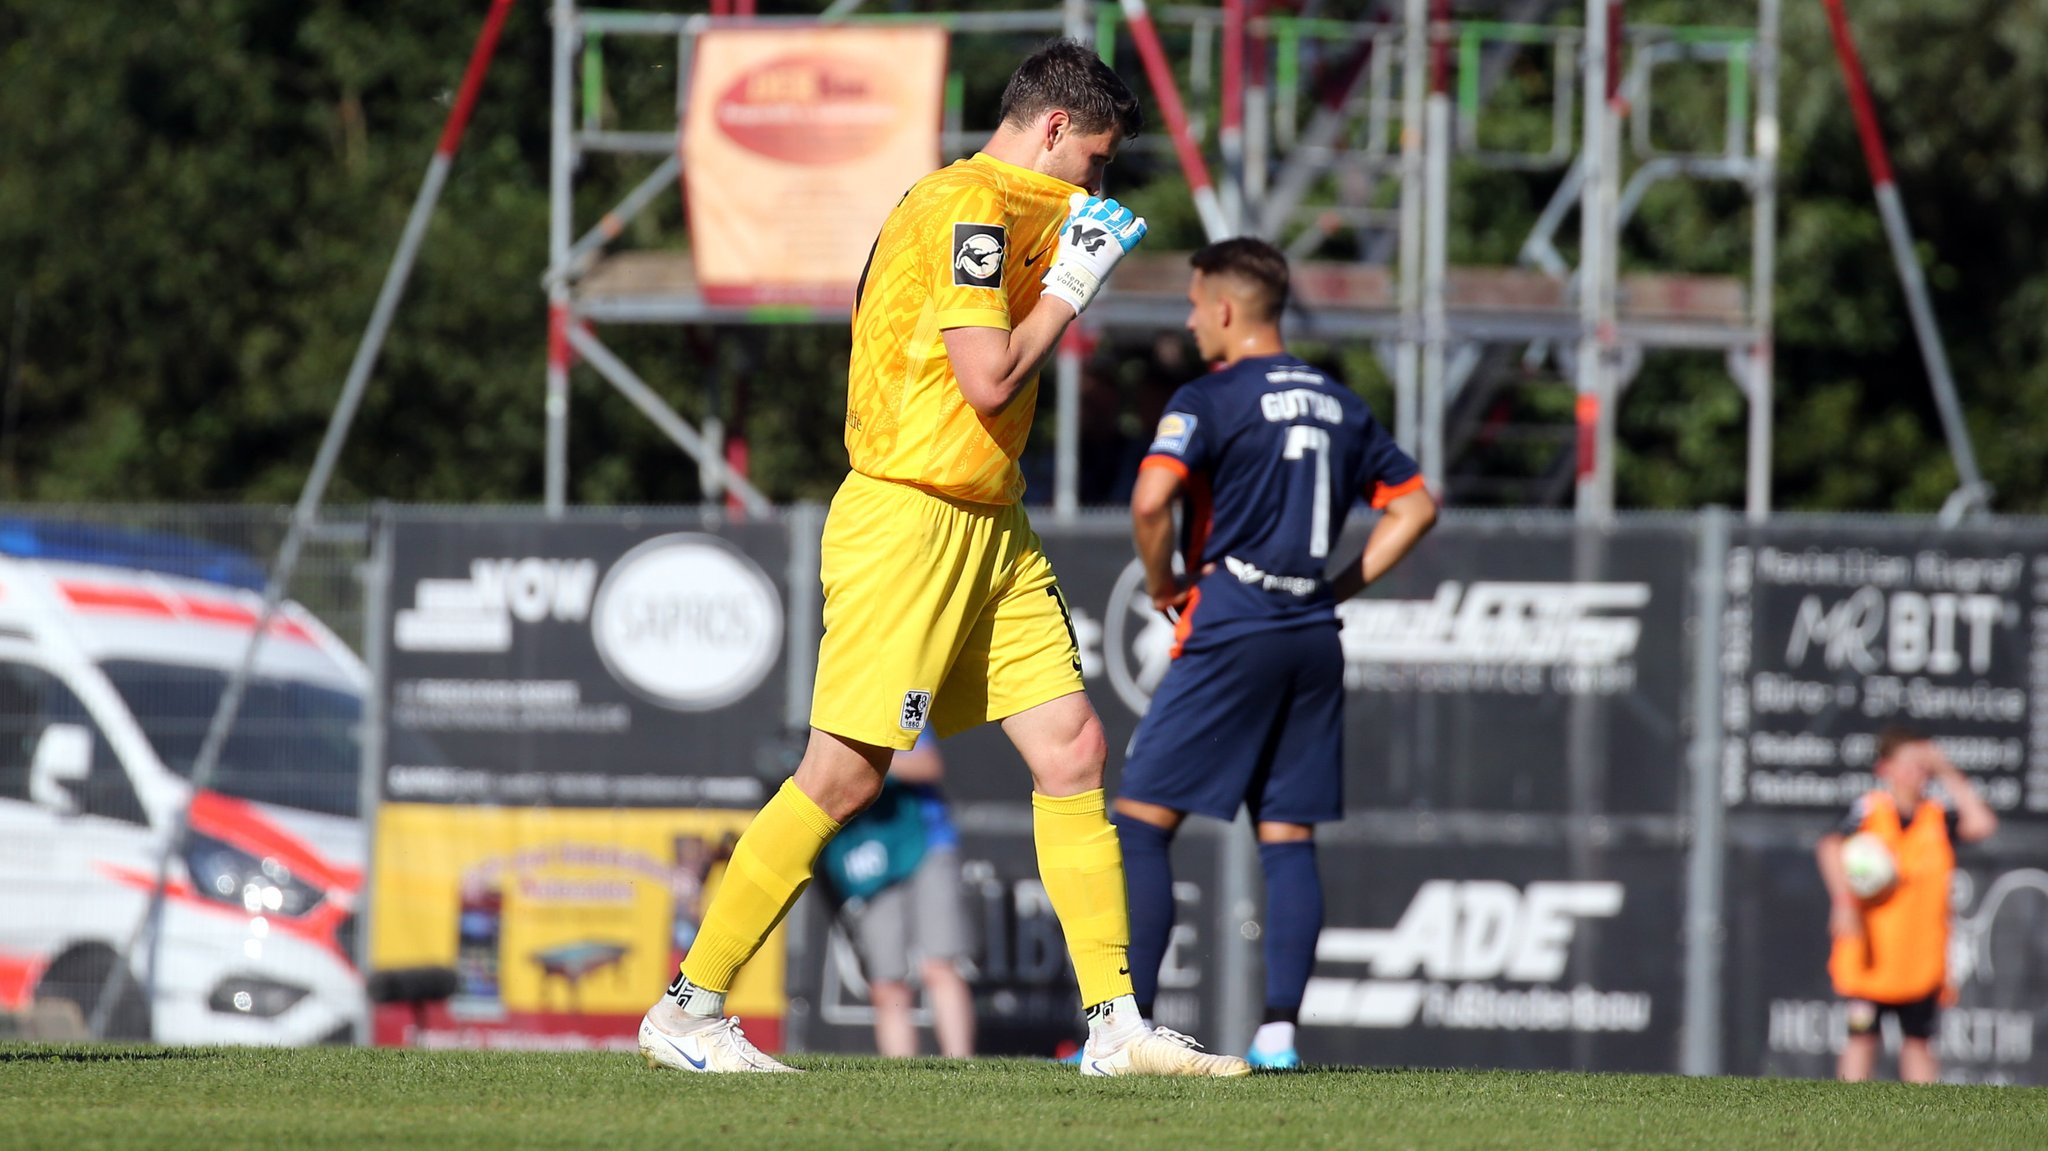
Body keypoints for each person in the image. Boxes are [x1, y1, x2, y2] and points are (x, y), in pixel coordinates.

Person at [638, 38, 1247, 1078]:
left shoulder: (1013, 205)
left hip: (987, 517)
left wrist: (1061, 264)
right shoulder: (967, 206)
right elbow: (989, 380)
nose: (1095, 184)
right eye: (1093, 159)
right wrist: (1069, 289)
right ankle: (687, 1009)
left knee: (1071, 749)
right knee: (839, 777)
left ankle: (1115, 1025)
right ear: (1053, 129)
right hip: (909, 514)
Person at [1111, 237, 1438, 1070]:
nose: (1188, 321)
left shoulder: (1213, 396)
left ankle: (1127, 1031)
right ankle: (1280, 1034)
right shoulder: (1339, 399)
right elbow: (1415, 507)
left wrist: (1162, 584)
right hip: (1309, 635)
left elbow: (1152, 500)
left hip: (1230, 621)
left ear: (1224, 308)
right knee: (1286, 837)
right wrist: (1335, 588)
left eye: (1193, 305)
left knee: (1142, 824)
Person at [1817, 725, 1996, 1083]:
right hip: (1871, 956)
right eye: (1911, 764)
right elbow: (1829, 846)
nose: (1920, 773)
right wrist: (1843, 902)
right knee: (1861, 1038)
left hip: (1920, 960)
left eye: (1923, 765)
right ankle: (1841, 1122)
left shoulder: (1936, 817)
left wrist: (1946, 770)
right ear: (1886, 769)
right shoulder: (1867, 812)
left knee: (1919, 1043)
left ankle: (1924, 1125)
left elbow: (1982, 824)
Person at [826, 732, 975, 1058]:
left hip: (927, 844)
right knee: (886, 984)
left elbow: (928, 765)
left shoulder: (896, 701)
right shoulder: (830, 714)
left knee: (939, 964)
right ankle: (900, 1075)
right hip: (872, 860)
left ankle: (963, 1067)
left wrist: (865, 765)